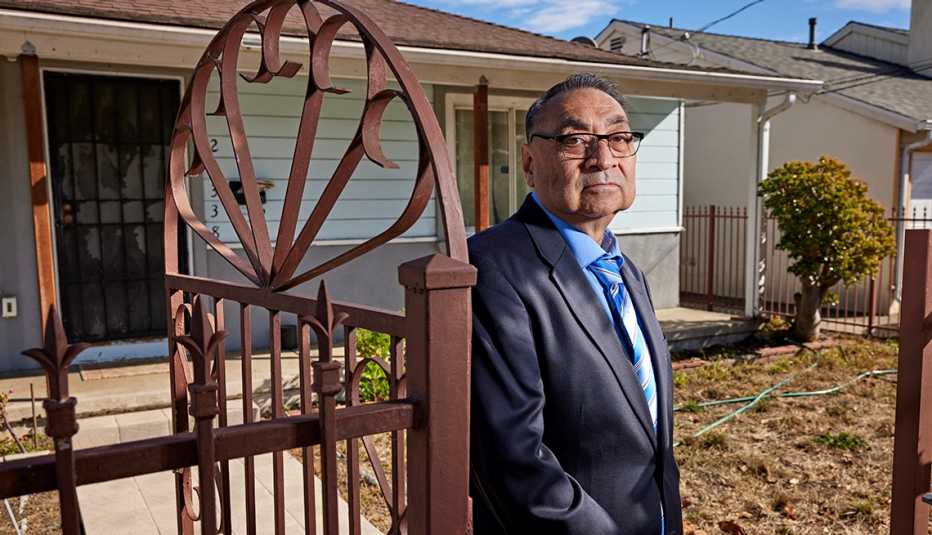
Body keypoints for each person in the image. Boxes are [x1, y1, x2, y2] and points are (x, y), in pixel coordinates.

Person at [468, 73, 683, 535]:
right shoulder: (493, 268)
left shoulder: (625, 270)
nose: (602, 158)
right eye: (575, 140)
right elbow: (513, 460)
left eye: (619, 137)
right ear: (529, 163)